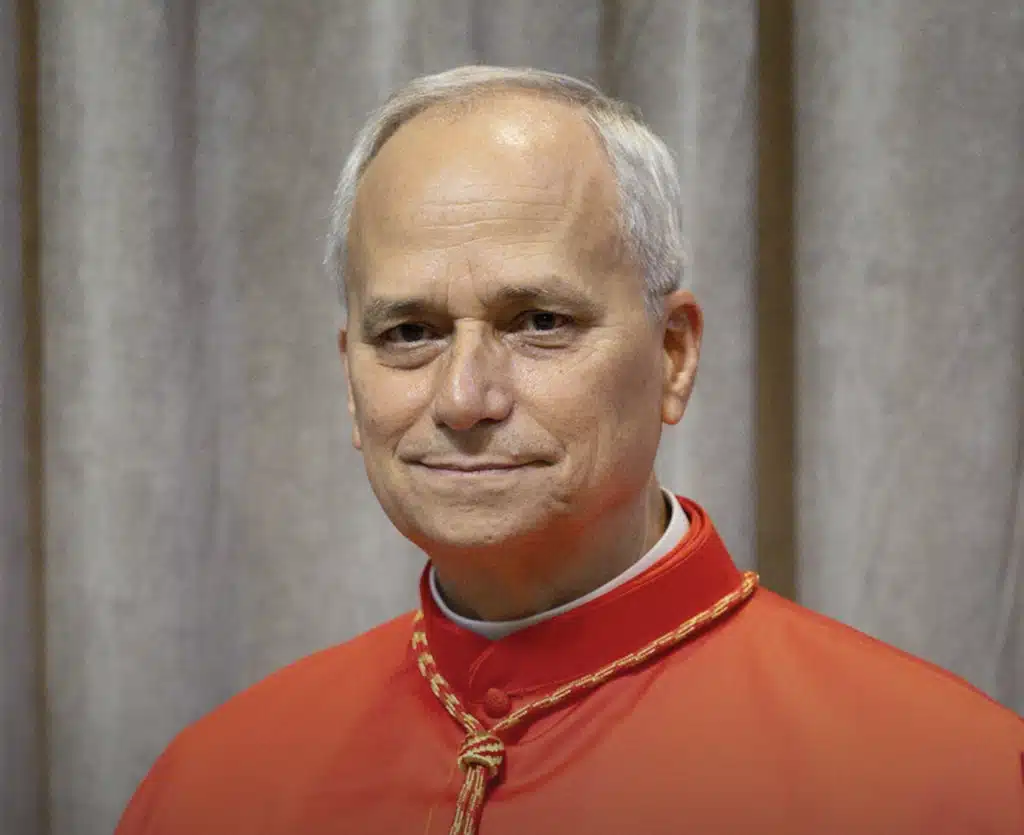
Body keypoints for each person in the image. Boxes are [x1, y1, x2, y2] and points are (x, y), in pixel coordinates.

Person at [116, 66, 1023, 835]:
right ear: (352, 379)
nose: (463, 399)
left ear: (673, 355)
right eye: (409, 332)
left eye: (539, 321)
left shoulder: (951, 782)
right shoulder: (210, 786)